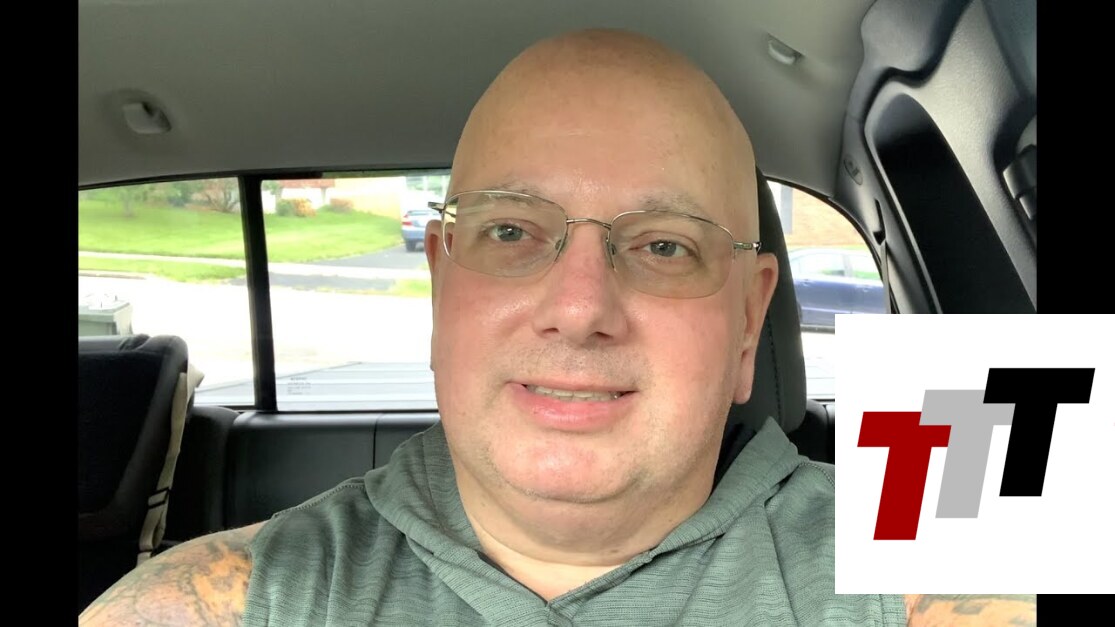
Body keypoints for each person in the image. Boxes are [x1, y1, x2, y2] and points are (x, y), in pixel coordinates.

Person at [79, 29, 1036, 626]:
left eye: (664, 245)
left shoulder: (954, 542)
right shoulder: (217, 600)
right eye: (509, 231)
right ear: (441, 286)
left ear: (750, 320)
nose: (578, 307)